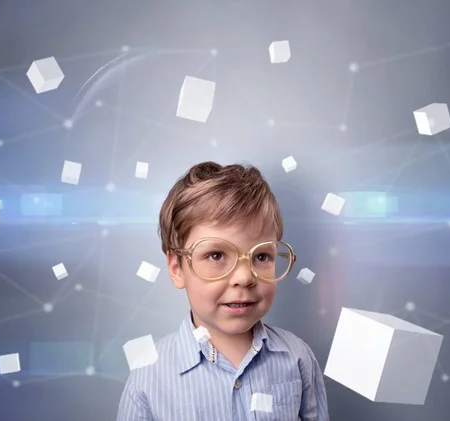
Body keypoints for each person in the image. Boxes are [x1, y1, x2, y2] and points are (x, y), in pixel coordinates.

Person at [117, 161, 329, 420]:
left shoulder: (297, 358)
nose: (244, 277)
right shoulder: (149, 374)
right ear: (177, 267)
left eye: (261, 256)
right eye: (216, 255)